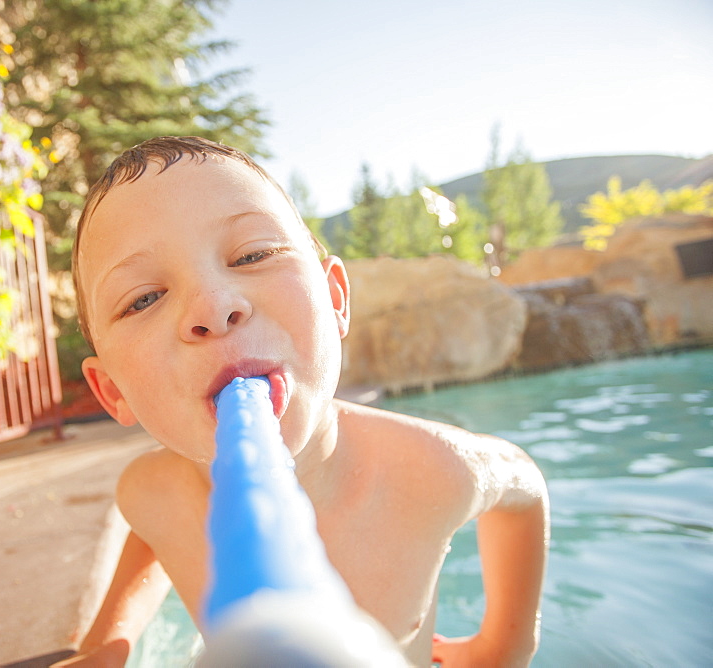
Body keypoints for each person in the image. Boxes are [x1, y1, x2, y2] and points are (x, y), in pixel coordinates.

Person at [56, 136, 549, 667]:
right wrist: (107, 643)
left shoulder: (431, 471)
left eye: (253, 254)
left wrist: (507, 642)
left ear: (336, 299)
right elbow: (154, 530)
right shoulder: (150, 491)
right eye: (144, 298)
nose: (214, 307)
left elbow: (523, 486)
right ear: (113, 391)